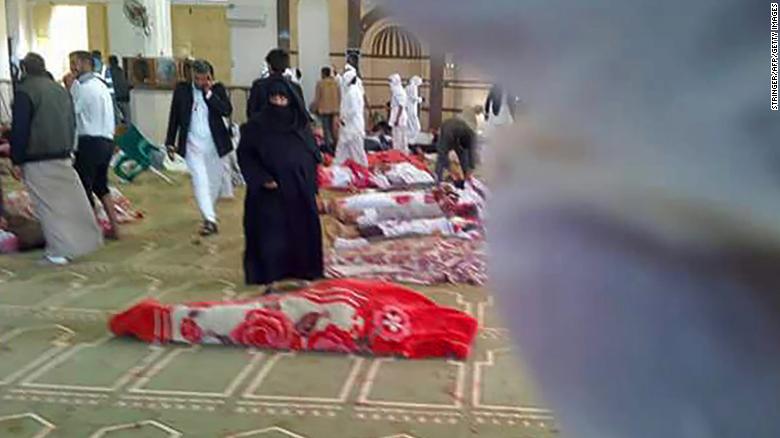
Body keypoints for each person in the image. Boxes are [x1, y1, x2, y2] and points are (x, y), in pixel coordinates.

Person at [9, 53, 102, 264]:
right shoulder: (60, 90)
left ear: (24, 70)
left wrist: (16, 159)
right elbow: (72, 122)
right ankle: (83, 242)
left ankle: (58, 251)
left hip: (37, 156)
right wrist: (70, 149)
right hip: (63, 154)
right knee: (69, 203)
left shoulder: (26, 91)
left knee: (48, 207)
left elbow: (20, 129)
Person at [237, 76, 323, 286]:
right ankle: (270, 275)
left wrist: (312, 184)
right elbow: (246, 155)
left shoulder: (300, 125)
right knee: (272, 236)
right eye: (274, 98)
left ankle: (303, 271)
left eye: (283, 98)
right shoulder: (256, 127)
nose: (278, 103)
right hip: (270, 193)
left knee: (301, 234)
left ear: (291, 100)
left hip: (299, 190)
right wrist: (262, 178)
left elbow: (312, 155)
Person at [165, 59, 234, 236]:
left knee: (214, 183)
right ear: (192, 77)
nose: (201, 82)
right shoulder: (182, 91)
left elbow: (226, 110)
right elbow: (174, 117)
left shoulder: (217, 90)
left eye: (204, 78)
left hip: (215, 144)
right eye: (197, 78)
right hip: (192, 144)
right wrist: (170, 142)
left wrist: (209, 93)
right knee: (200, 181)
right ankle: (210, 220)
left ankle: (208, 212)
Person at [69, 50, 120, 240]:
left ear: (84, 64)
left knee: (83, 187)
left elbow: (71, 111)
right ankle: (115, 228)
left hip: (89, 141)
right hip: (106, 140)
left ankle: (90, 231)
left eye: (74, 63)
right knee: (101, 186)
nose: (72, 67)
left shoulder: (84, 87)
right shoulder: (101, 85)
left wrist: (69, 88)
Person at [246, 49, 305, 119]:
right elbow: (301, 112)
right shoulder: (295, 87)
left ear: (269, 66)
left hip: (264, 127)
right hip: (289, 128)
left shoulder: (259, 85)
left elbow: (251, 112)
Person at [333, 67, 368, 166]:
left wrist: (342, 119)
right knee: (342, 150)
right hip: (348, 126)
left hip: (353, 127)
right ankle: (336, 167)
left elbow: (353, 110)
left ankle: (362, 171)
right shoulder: (351, 90)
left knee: (357, 153)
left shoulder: (353, 92)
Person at [434, 117, 477, 183]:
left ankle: (464, 179)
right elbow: (442, 152)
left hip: (458, 133)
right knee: (441, 158)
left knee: (463, 156)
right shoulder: (447, 133)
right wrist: (451, 168)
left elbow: (472, 153)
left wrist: (471, 167)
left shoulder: (471, 135)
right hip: (447, 128)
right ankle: (437, 178)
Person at [312, 66, 340, 153]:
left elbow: (317, 98)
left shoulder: (320, 83)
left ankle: (329, 150)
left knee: (326, 130)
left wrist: (313, 108)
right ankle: (336, 148)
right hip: (335, 109)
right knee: (334, 131)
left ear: (323, 74)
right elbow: (339, 96)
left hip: (324, 110)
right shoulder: (336, 83)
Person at [388, 74, 409, 153]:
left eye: (391, 81)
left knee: (398, 138)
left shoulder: (397, 90)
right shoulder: (399, 90)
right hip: (400, 116)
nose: (389, 83)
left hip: (399, 116)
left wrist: (397, 119)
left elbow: (401, 105)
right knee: (402, 137)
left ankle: (398, 154)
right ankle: (403, 153)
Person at [108, 55, 131, 124]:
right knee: (127, 118)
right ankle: (128, 133)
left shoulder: (109, 72)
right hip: (125, 97)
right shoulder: (122, 71)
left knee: (116, 119)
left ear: (109, 62)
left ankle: (119, 133)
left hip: (115, 98)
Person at [405, 75, 424, 143]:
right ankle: (412, 139)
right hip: (411, 108)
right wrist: (420, 99)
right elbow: (413, 98)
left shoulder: (407, 87)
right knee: (416, 126)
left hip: (408, 108)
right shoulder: (413, 87)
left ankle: (409, 138)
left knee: (410, 123)